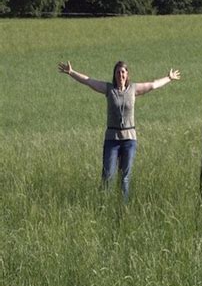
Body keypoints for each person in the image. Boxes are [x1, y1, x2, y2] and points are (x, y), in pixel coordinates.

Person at [58, 60, 181, 201]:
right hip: (112, 140)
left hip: (129, 140)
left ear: (127, 74)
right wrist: (71, 72)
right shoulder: (109, 89)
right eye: (118, 72)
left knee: (125, 178)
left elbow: (153, 85)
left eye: (123, 72)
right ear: (114, 75)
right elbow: (89, 81)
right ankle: (104, 205)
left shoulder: (134, 89)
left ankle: (123, 208)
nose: (120, 75)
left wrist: (169, 78)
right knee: (107, 177)